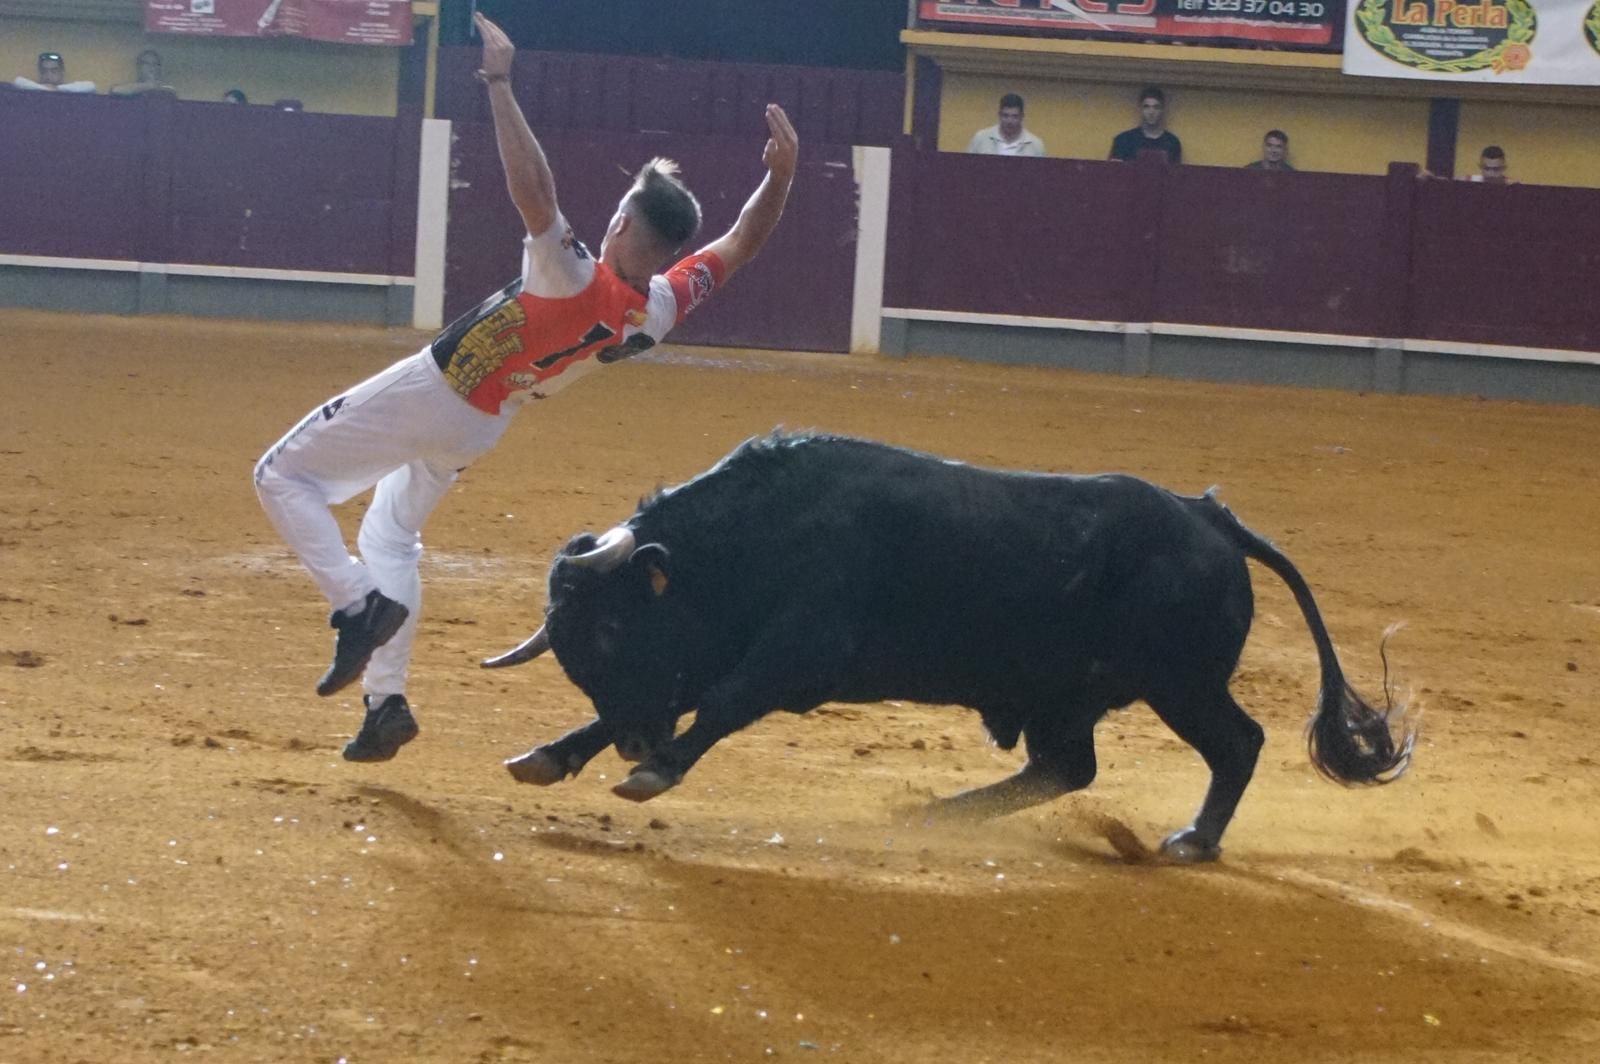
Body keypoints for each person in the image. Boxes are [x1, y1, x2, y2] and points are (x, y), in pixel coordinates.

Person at [252, 12, 800, 763]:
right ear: (670, 248)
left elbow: (532, 189)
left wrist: (500, 82)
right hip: (483, 423)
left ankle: (355, 605)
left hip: (435, 390)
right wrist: (781, 177)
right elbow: (741, 242)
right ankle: (385, 703)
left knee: (281, 475)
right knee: (390, 533)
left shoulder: (571, 271)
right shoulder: (658, 309)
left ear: (617, 222)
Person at [1108, 86, 1181, 164]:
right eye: (1146, 107)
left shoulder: (1172, 142)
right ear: (1140, 109)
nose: (1151, 112)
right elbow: (1114, 173)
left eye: (1156, 107)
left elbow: (1175, 174)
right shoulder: (1123, 140)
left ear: (1162, 110)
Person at [966, 93, 1045, 158]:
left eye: (1015, 116)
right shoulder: (981, 138)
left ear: (1022, 117)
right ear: (999, 115)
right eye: (1005, 116)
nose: (1009, 121)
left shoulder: (1035, 145)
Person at [12, 52, 96, 94]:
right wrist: (47, 90)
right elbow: (18, 81)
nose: (49, 75)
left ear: (62, 73)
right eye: (44, 71)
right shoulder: (32, 95)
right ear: (40, 73)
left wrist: (58, 89)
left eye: (54, 71)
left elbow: (91, 86)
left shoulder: (70, 92)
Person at [109, 49, 175, 96]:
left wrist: (157, 87)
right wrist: (149, 85)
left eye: (155, 64)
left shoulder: (167, 91)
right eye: (147, 63)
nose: (151, 67)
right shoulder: (128, 89)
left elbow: (172, 92)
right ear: (139, 67)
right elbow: (115, 90)